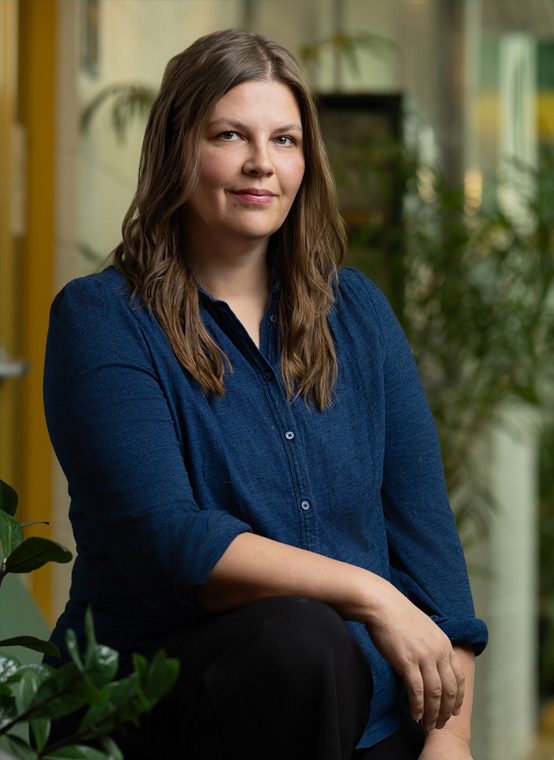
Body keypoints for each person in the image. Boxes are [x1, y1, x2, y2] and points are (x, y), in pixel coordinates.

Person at [43, 28, 487, 760]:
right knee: (302, 638)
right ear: (177, 149)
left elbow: (429, 545)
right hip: (157, 705)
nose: (262, 164)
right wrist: (374, 596)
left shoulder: (360, 313)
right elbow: (172, 544)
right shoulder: (103, 322)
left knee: (327, 657)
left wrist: (451, 738)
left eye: (284, 140)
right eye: (230, 135)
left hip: (364, 715)